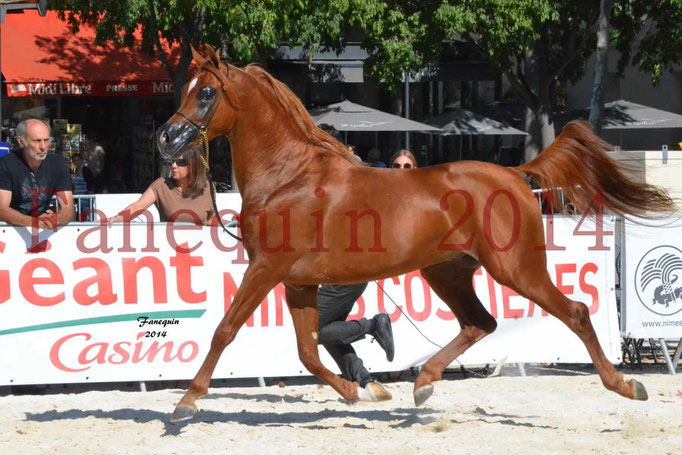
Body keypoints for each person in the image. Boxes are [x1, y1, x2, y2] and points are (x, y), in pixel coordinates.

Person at [317, 284, 395, 399]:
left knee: (312, 330)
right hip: (347, 281)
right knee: (330, 330)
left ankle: (373, 325)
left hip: (341, 280)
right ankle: (364, 381)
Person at [108, 148, 215, 226]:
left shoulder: (208, 187)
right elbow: (138, 206)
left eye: (180, 162)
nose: (173, 165)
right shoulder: (161, 185)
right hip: (170, 249)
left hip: (200, 251)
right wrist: (121, 217)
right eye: (172, 161)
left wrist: (231, 223)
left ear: (194, 164)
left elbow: (211, 220)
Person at [0, 118, 74, 229]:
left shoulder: (58, 164)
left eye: (46, 140)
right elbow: (2, 209)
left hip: (42, 233)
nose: (43, 147)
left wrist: (54, 219)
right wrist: (34, 221)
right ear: (21, 142)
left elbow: (68, 209)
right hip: (8, 232)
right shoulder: (6, 164)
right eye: (37, 141)